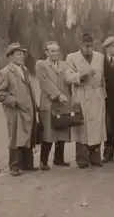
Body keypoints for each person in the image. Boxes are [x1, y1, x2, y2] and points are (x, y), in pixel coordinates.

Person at [0, 42, 40, 176]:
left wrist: (34, 104)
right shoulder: (6, 72)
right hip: (15, 112)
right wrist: (14, 102)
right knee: (15, 136)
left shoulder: (24, 70)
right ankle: (14, 166)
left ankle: (27, 164)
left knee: (28, 135)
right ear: (10, 56)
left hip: (28, 109)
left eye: (22, 54)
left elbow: (29, 90)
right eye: (17, 54)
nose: (21, 56)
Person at [35, 41, 82, 170]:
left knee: (61, 129)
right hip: (49, 103)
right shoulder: (41, 65)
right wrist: (58, 95)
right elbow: (45, 83)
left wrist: (81, 75)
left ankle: (59, 158)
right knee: (48, 133)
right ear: (46, 52)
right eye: (52, 51)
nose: (55, 53)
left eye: (56, 51)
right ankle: (43, 161)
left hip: (63, 104)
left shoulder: (64, 65)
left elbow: (71, 77)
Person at [66, 33, 107, 169]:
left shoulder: (100, 57)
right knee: (82, 128)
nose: (88, 49)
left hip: (97, 95)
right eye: (86, 46)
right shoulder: (72, 58)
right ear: (81, 45)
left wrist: (103, 93)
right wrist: (81, 75)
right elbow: (68, 76)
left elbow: (104, 77)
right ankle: (82, 159)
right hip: (81, 94)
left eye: (90, 46)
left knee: (97, 127)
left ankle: (95, 157)